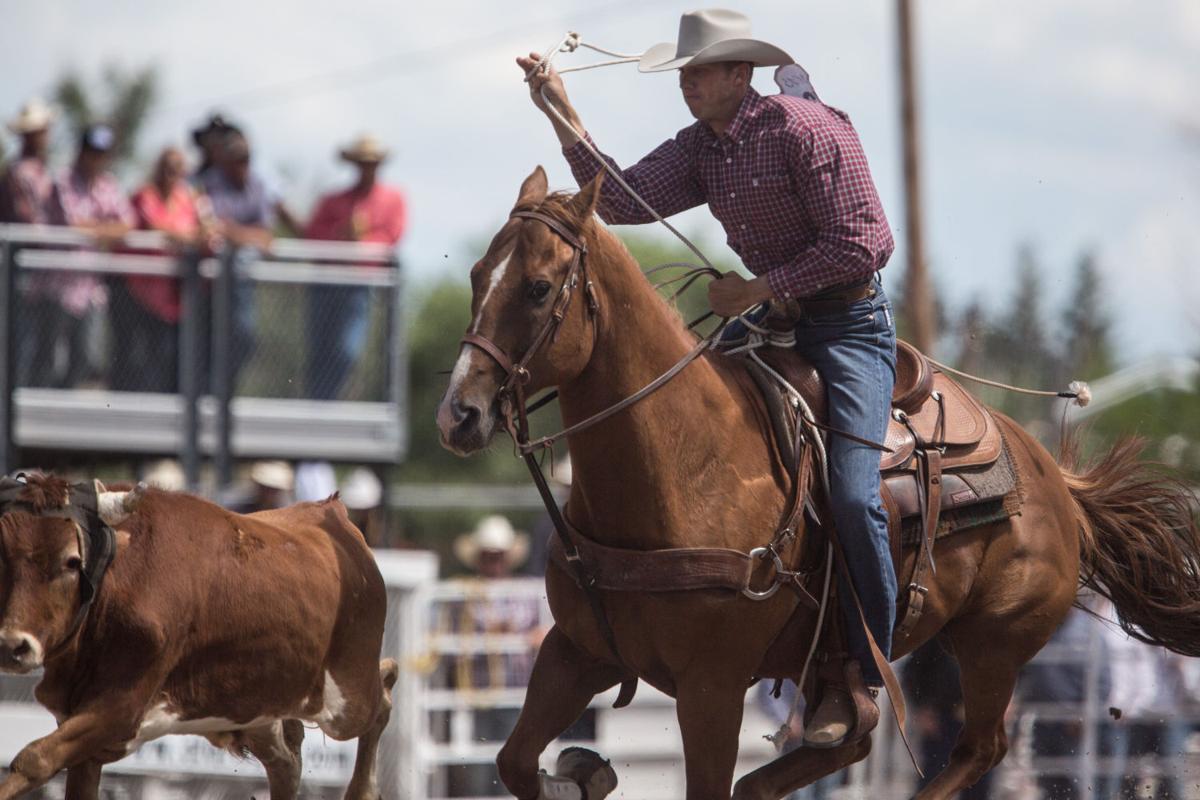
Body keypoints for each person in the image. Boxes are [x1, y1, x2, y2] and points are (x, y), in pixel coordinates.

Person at [518, 8, 896, 745]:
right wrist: (562, 111)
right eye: (682, 74)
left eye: (699, 72)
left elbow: (865, 243)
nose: (687, 84)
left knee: (854, 493)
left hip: (848, 326)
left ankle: (864, 668)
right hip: (773, 318)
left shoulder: (805, 129)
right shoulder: (703, 147)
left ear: (739, 74)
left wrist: (757, 289)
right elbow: (623, 200)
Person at [25, 124, 135, 388]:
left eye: (102, 152)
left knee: (86, 356)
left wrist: (96, 228)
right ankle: (35, 412)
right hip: (56, 287)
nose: (97, 158)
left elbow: (127, 225)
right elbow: (74, 223)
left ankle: (59, 410)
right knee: (48, 357)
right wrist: (104, 228)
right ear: (82, 151)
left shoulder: (108, 184)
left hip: (90, 288)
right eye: (92, 151)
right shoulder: (63, 180)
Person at [303, 134, 406, 400]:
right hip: (326, 284)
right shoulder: (333, 201)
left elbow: (392, 237)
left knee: (347, 350)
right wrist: (341, 235)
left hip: (359, 286)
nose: (365, 168)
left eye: (370, 163)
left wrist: (360, 241)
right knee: (319, 349)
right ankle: (317, 405)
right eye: (361, 163)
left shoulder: (393, 200)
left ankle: (326, 404)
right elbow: (311, 235)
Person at [447, 516, 543, 797]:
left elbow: (536, 629)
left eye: (497, 557)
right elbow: (478, 626)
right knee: (480, 763)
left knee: (511, 762)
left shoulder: (526, 590)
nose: (493, 563)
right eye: (488, 557)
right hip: (480, 694)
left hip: (516, 693)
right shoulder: (465, 593)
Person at [112, 146, 208, 392]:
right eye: (167, 168)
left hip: (174, 294)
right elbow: (155, 226)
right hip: (137, 292)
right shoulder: (144, 195)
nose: (171, 174)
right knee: (134, 355)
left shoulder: (190, 198)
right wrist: (187, 236)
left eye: (177, 169)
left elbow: (206, 232)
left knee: (170, 356)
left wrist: (185, 236)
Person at [0, 98, 55, 225]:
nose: (46, 135)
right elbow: (28, 216)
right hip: (29, 241)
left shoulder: (43, 168)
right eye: (42, 131)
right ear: (28, 135)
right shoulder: (19, 173)